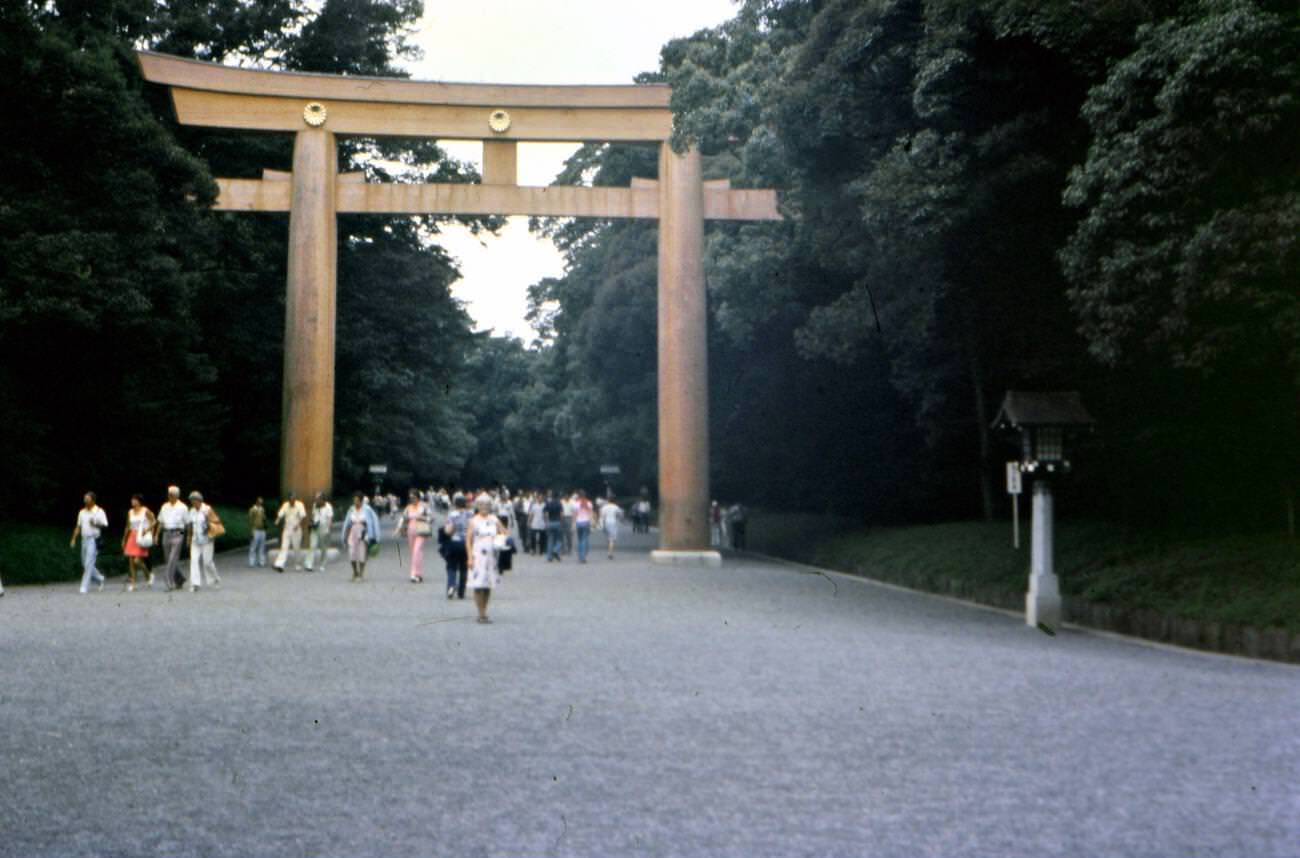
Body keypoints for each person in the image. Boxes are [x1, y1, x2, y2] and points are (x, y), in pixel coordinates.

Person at [465, 496, 504, 623]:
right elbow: (468, 540)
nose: (484, 507)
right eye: (481, 505)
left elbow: (504, 532)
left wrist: (501, 536)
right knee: (478, 585)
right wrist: (470, 557)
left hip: (491, 556)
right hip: (478, 555)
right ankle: (481, 613)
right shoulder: (473, 521)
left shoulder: (494, 519)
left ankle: (484, 610)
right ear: (477, 506)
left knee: (488, 585)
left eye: (487, 504)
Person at [70, 492, 108, 594]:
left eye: (87, 499)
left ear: (93, 500)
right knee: (85, 563)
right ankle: (100, 579)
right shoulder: (82, 512)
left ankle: (84, 587)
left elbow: (105, 525)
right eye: (84, 498)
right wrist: (74, 538)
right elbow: (78, 526)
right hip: (84, 539)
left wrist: (95, 524)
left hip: (94, 539)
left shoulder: (99, 511)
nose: (85, 500)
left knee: (88, 563)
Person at [186, 491, 222, 592]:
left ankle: (215, 579)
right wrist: (188, 537)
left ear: (199, 500)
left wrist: (209, 523)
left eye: (194, 500)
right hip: (195, 540)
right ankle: (195, 583)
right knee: (193, 561)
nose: (193, 502)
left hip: (207, 540)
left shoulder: (207, 509)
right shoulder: (191, 511)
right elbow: (189, 525)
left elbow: (217, 521)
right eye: (191, 500)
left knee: (207, 562)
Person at [341, 492, 381, 582]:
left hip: (363, 533)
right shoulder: (351, 509)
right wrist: (344, 535)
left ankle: (361, 573)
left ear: (361, 501)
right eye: (354, 500)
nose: (356, 502)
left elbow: (374, 522)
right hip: (353, 532)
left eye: (357, 500)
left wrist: (375, 536)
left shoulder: (367, 509)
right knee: (352, 553)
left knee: (362, 553)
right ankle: (355, 571)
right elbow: (347, 523)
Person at [120, 494, 156, 592]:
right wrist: (124, 539)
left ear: (139, 501)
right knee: (131, 561)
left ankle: (148, 575)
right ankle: (133, 584)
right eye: (132, 500)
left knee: (137, 560)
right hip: (132, 536)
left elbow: (153, 521)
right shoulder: (130, 512)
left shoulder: (145, 510)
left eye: (135, 500)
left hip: (141, 536)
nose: (133, 502)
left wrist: (147, 529)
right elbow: (128, 526)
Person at [397, 488, 432, 584]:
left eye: (414, 497)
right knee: (415, 552)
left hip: (421, 530)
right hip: (411, 531)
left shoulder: (424, 506)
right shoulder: (408, 507)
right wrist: (399, 528)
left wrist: (422, 517)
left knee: (417, 550)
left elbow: (431, 518)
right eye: (411, 498)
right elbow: (403, 518)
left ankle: (413, 574)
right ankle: (418, 573)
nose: (412, 500)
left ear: (418, 497)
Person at [157, 485, 188, 590]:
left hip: (178, 534)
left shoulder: (183, 507)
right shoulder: (164, 506)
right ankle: (180, 579)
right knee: (168, 559)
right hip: (166, 534)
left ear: (176, 495)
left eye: (172, 495)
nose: (170, 496)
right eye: (169, 494)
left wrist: (184, 535)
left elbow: (187, 523)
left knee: (172, 558)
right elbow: (160, 522)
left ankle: (169, 582)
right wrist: (157, 534)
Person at [443, 494, 470, 599]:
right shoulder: (470, 515)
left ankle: (451, 585)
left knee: (451, 566)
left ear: (455, 504)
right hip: (466, 543)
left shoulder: (452, 515)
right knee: (464, 568)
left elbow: (448, 530)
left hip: (454, 542)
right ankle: (461, 591)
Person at [273, 492, 307, 572]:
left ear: (295, 499)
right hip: (287, 528)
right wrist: (277, 520)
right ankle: (279, 564)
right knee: (284, 546)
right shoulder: (285, 505)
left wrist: (298, 524)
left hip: (296, 529)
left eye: (293, 500)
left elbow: (303, 516)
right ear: (289, 500)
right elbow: (281, 514)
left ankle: (298, 564)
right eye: (290, 500)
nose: (292, 501)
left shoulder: (300, 505)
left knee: (296, 547)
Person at [304, 492, 335, 572]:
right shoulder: (315, 506)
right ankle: (309, 564)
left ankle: (322, 564)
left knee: (323, 548)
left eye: (318, 499)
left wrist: (329, 529)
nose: (316, 501)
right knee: (312, 545)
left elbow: (330, 519)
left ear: (323, 500)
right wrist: (311, 523)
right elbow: (313, 515)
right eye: (316, 499)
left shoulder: (328, 507)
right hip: (315, 528)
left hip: (324, 529)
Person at [247, 497, 269, 568]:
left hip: (262, 529)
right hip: (255, 529)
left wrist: (266, 528)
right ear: (256, 502)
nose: (260, 503)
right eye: (259, 502)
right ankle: (251, 561)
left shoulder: (262, 509)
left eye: (261, 502)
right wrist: (251, 530)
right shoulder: (252, 510)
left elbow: (264, 519)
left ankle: (261, 561)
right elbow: (250, 521)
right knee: (253, 546)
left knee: (262, 546)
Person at [573, 491, 594, 563]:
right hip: (586, 522)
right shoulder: (589, 503)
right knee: (585, 540)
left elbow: (575, 515)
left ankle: (580, 556)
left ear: (578, 496)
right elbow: (591, 514)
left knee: (580, 540)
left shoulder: (576, 504)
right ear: (585, 495)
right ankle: (583, 556)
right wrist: (592, 523)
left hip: (578, 523)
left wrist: (573, 524)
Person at [544, 491, 565, 563]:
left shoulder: (548, 504)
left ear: (552, 496)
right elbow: (561, 514)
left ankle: (549, 557)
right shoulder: (559, 504)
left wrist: (546, 522)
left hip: (550, 522)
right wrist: (562, 522)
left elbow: (546, 514)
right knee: (559, 540)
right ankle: (555, 550)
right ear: (558, 497)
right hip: (557, 522)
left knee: (550, 540)